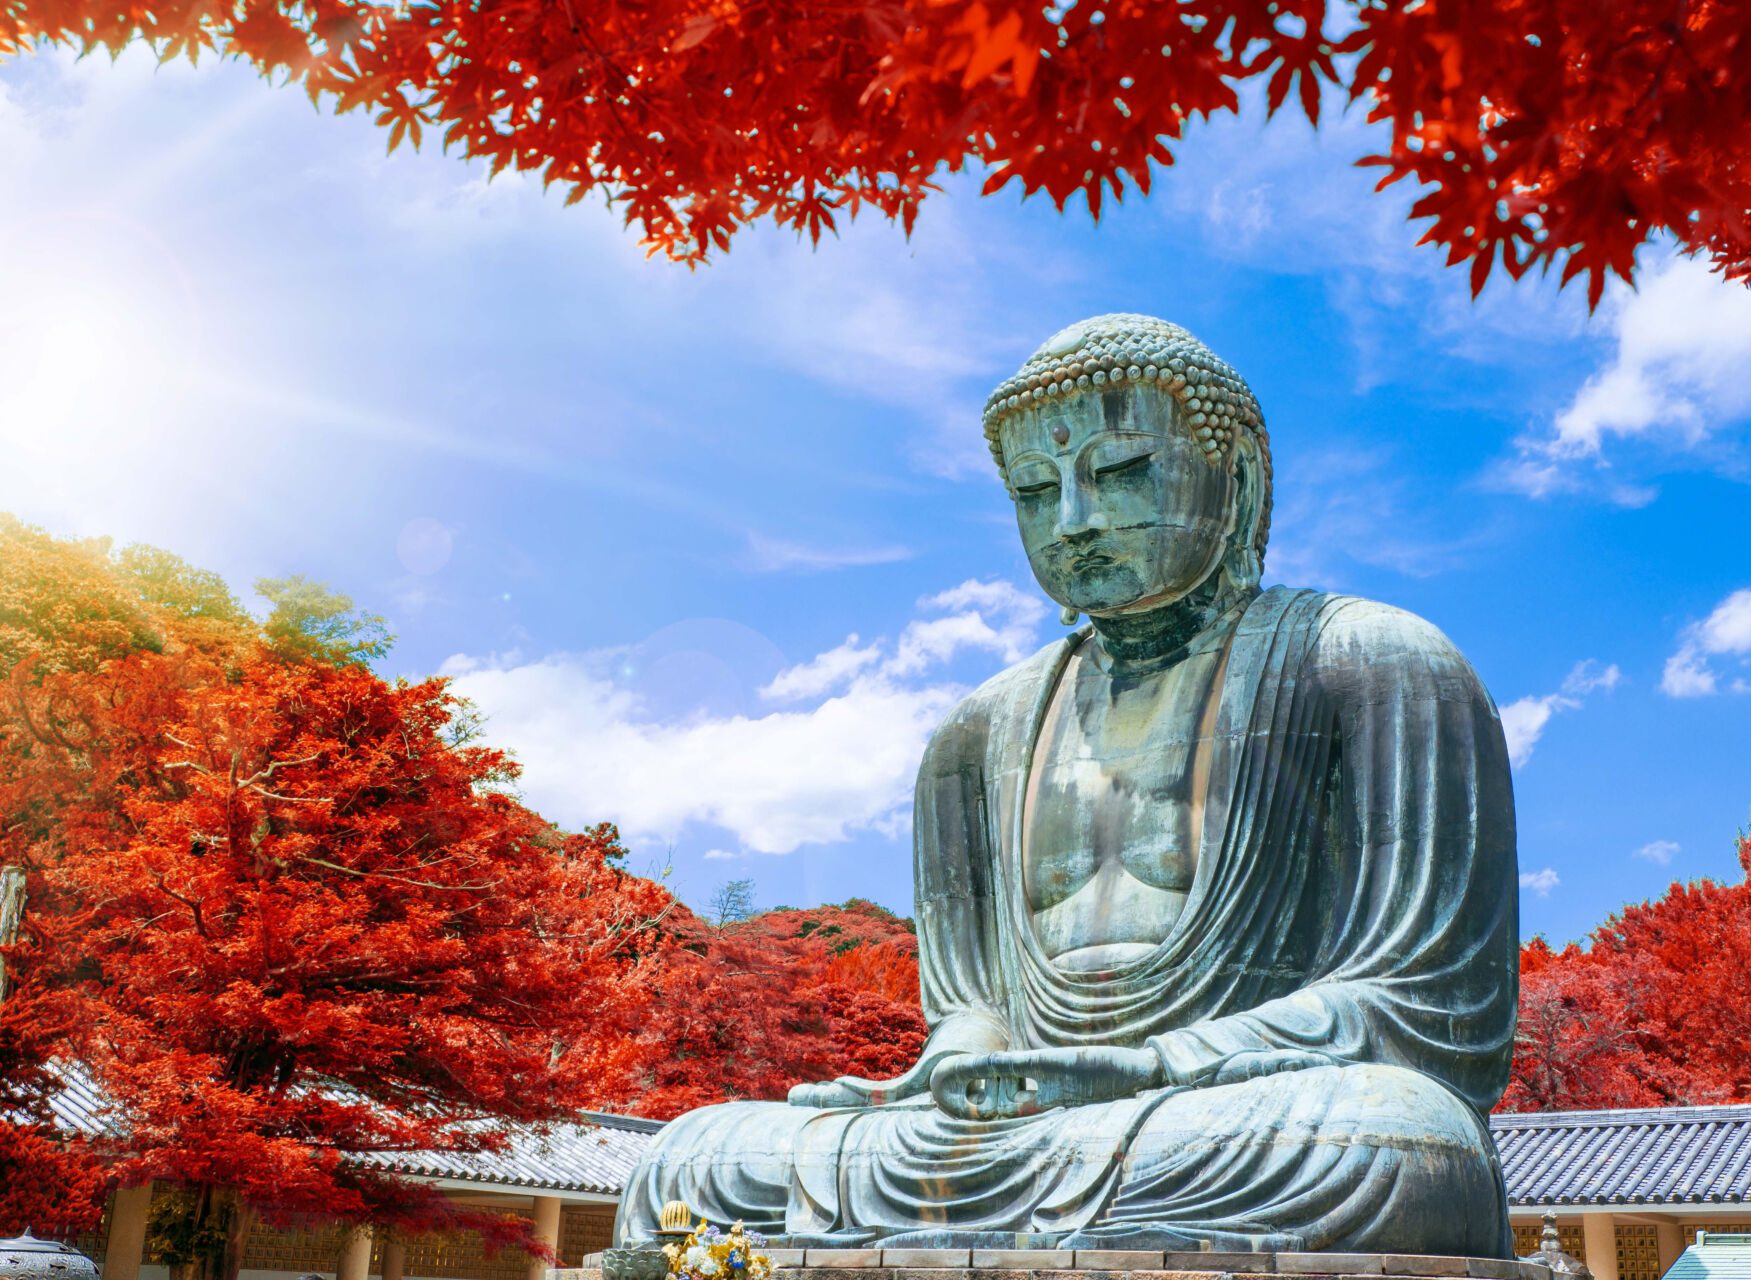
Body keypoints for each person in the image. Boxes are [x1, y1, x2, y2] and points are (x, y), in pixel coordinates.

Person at [616, 314, 1518, 1255]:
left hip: (1234, 1113)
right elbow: (973, 1005)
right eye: (1035, 492)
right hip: (1017, 1131)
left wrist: (1144, 1066)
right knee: (690, 1161)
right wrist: (958, 1068)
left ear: (1239, 477)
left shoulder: (1371, 662)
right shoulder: (977, 732)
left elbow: (1426, 1011)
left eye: (1121, 472)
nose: (1074, 522)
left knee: (1395, 1143)